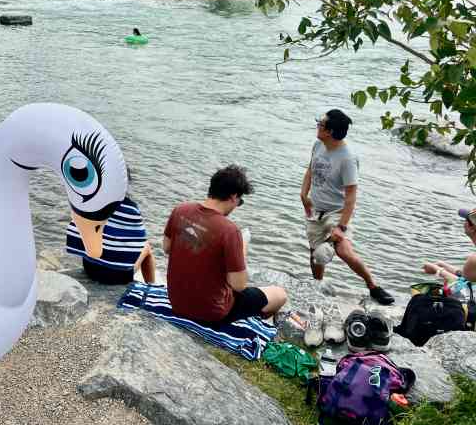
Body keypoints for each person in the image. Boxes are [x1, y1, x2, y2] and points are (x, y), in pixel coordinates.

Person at [163, 165, 287, 323]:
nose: (237, 206)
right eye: (239, 202)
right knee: (280, 294)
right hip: (211, 313)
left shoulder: (180, 210)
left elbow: (166, 248)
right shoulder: (229, 231)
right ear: (234, 197)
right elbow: (239, 285)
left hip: (177, 303)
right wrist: (242, 249)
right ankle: (253, 325)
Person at [301, 109, 394, 305]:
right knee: (316, 252)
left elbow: (351, 195)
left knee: (343, 250)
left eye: (321, 123)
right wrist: (303, 194)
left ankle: (373, 286)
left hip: (337, 211)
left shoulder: (348, 158)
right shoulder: (318, 144)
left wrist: (341, 226)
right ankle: (317, 285)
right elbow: (310, 169)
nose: (317, 125)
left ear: (330, 132)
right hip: (316, 210)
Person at [66, 167, 156, 284]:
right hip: (119, 277)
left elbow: (76, 232)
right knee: (147, 246)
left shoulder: (92, 202)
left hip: (90, 269)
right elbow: (138, 243)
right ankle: (151, 286)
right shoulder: (131, 208)